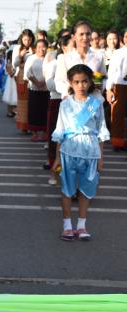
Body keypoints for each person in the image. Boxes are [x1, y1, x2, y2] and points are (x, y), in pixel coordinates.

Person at [52, 64, 110, 241]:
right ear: (70, 82)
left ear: (90, 81)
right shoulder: (65, 104)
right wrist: (56, 158)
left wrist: (101, 157)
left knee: (86, 190)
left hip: (91, 151)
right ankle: (67, 226)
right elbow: (60, 131)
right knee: (67, 189)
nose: (81, 85)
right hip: (69, 151)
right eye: (76, 82)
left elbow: (101, 130)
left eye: (84, 81)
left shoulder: (96, 104)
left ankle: (82, 226)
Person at [43, 34, 74, 185]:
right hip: (58, 101)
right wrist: (69, 87)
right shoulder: (56, 62)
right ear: (64, 47)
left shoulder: (86, 59)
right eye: (73, 45)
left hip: (80, 104)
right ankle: (53, 173)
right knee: (56, 139)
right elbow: (49, 85)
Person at [55, 20, 106, 99]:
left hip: (93, 102)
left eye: (88, 34)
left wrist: (99, 86)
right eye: (81, 34)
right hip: (72, 101)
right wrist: (69, 90)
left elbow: (103, 78)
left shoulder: (99, 57)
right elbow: (59, 81)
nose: (85, 38)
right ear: (74, 37)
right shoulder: (65, 58)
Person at [106, 29, 127, 150]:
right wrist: (109, 89)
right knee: (117, 115)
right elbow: (111, 72)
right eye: (125, 36)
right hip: (119, 86)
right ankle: (117, 143)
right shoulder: (118, 53)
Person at [24, 39, 49, 141]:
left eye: (43, 47)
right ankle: (35, 133)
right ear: (35, 48)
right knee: (34, 111)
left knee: (44, 111)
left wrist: (44, 82)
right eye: (39, 47)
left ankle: (44, 133)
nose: (41, 49)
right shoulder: (31, 58)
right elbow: (27, 73)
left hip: (46, 88)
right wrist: (37, 82)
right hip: (34, 88)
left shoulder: (50, 59)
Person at [13, 29, 35, 133]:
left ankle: (31, 125)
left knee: (32, 101)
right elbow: (14, 64)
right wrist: (20, 55)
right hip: (21, 77)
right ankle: (23, 126)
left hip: (33, 77)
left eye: (29, 40)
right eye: (25, 40)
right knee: (22, 102)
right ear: (22, 39)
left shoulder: (34, 48)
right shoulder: (17, 48)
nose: (27, 42)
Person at [2, 49, 18, 117]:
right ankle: (9, 111)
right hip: (11, 81)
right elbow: (11, 74)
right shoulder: (8, 64)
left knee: (14, 96)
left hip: (15, 80)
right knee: (10, 95)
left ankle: (13, 110)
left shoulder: (15, 63)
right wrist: (16, 71)